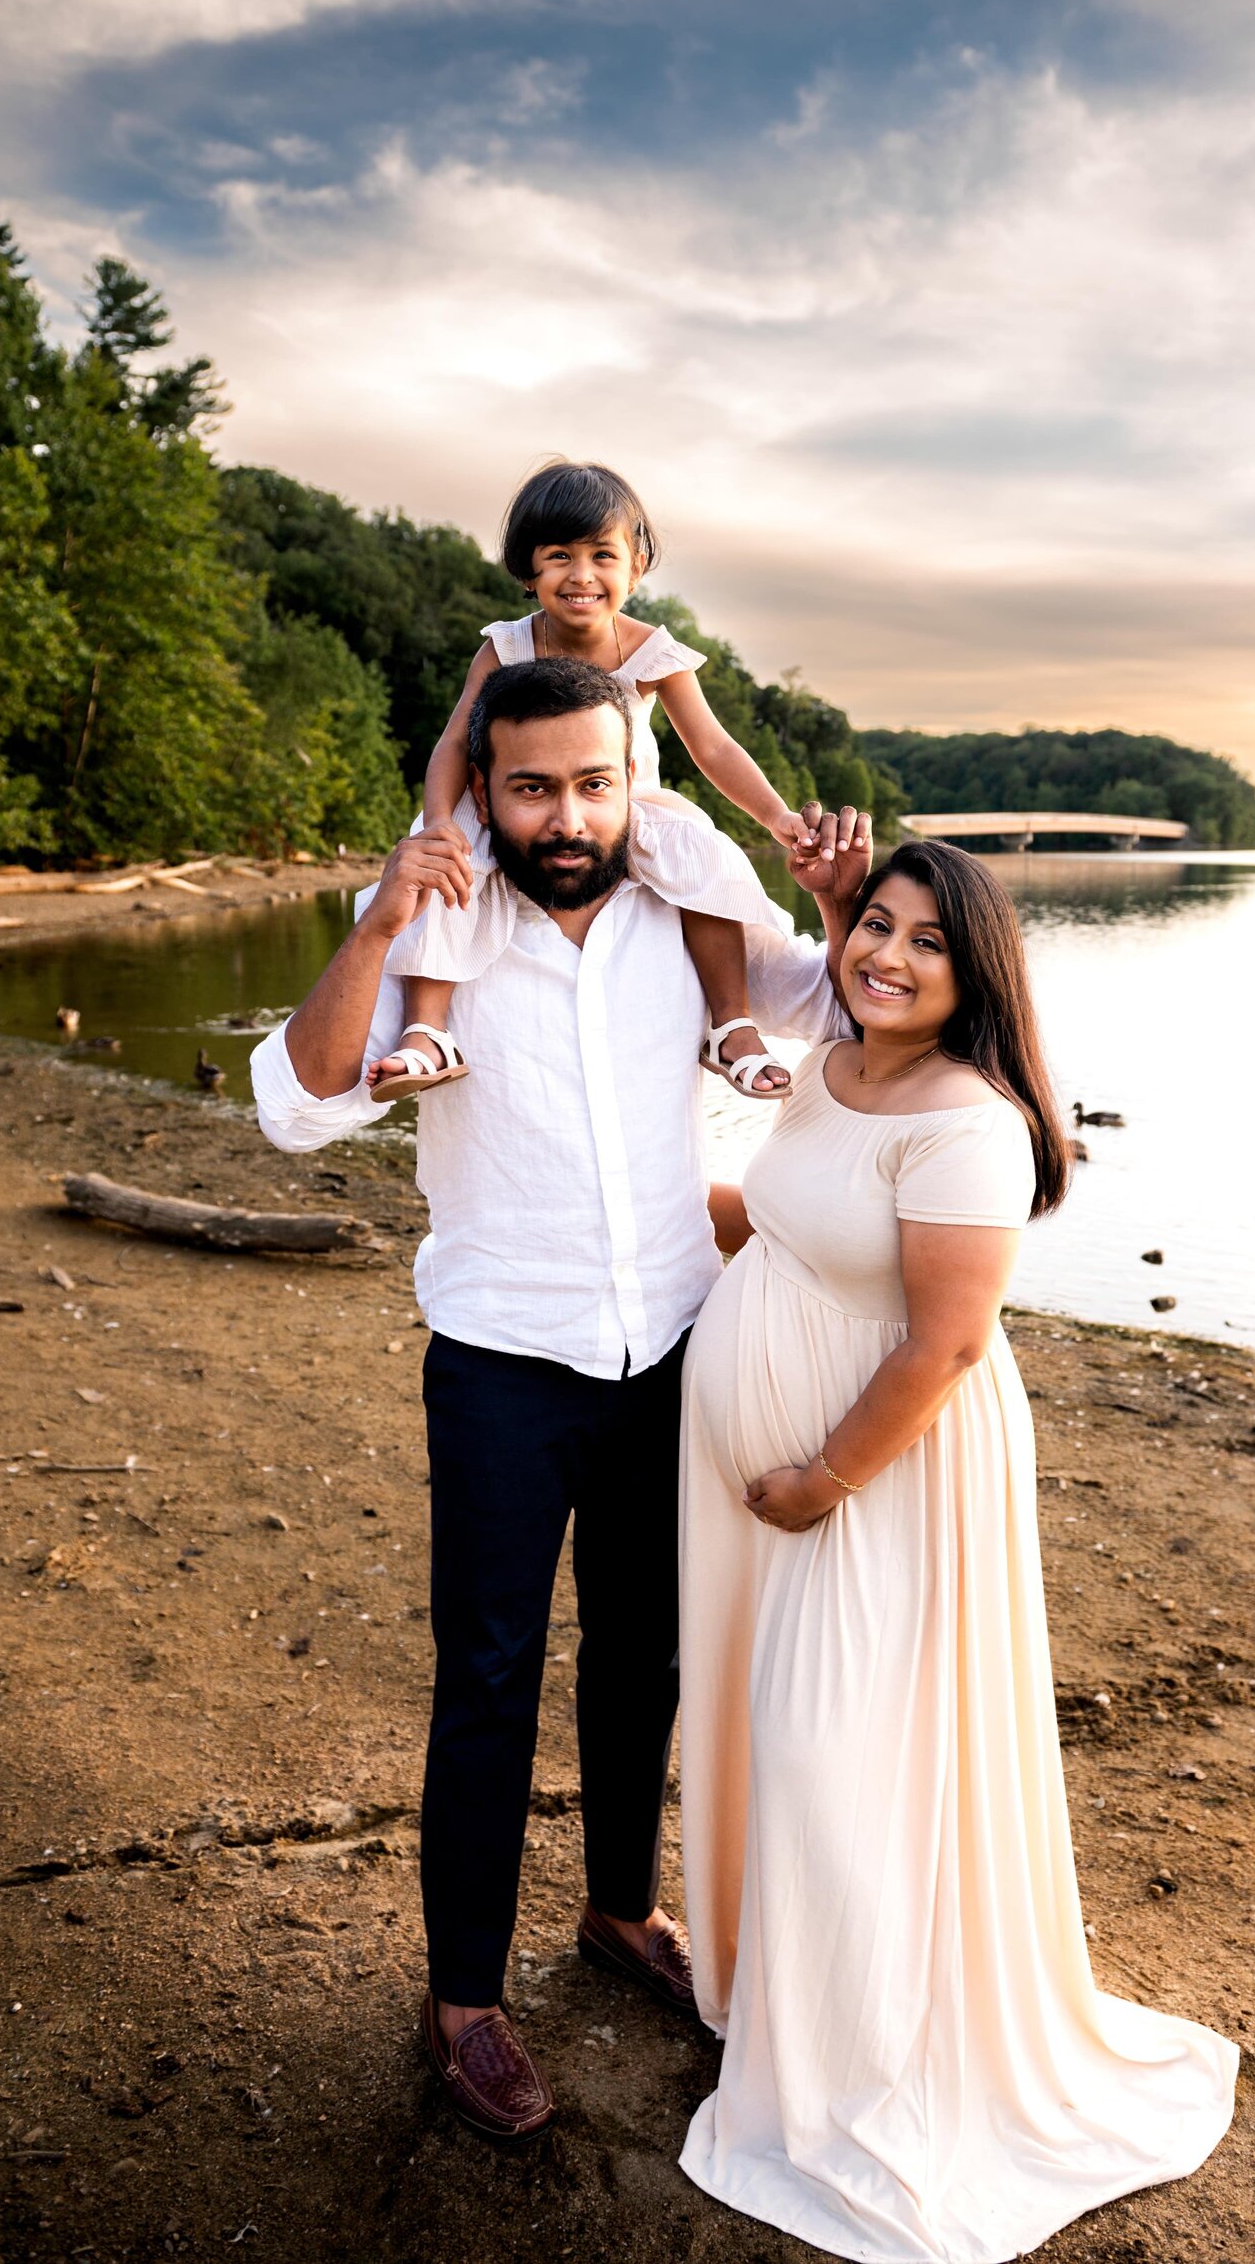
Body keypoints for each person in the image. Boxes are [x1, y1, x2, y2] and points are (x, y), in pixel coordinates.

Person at [251, 654, 871, 2144]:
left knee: (644, 1653)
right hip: (500, 1362)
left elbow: (846, 1015)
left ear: (632, 777)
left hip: (671, 1346)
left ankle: (616, 1910)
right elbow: (296, 1107)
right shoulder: (432, 913)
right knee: (486, 1679)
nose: (570, 813)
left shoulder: (692, 911)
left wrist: (846, 903)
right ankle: (463, 1999)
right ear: (488, 787)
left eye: (598, 782)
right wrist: (386, 919)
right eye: (534, 786)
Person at [677, 840, 1238, 2260]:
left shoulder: (969, 1120)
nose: (890, 957)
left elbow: (943, 1341)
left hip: (888, 1479)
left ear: (976, 971)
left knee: (835, 1745)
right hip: (783, 1474)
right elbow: (782, 1215)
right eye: (877, 926)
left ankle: (867, 2065)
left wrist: (821, 1476)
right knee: (781, 1729)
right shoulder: (833, 1066)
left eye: (929, 943)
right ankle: (794, 2008)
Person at [366, 458, 812, 1106]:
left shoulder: (652, 653)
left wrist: (779, 818)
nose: (582, 575)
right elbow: (454, 743)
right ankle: (428, 1030)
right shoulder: (506, 647)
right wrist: (439, 822)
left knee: (703, 854)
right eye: (558, 556)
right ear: (529, 570)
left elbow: (713, 746)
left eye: (603, 554)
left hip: (628, 804)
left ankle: (732, 1028)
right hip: (529, 801)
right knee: (448, 852)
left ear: (636, 566)